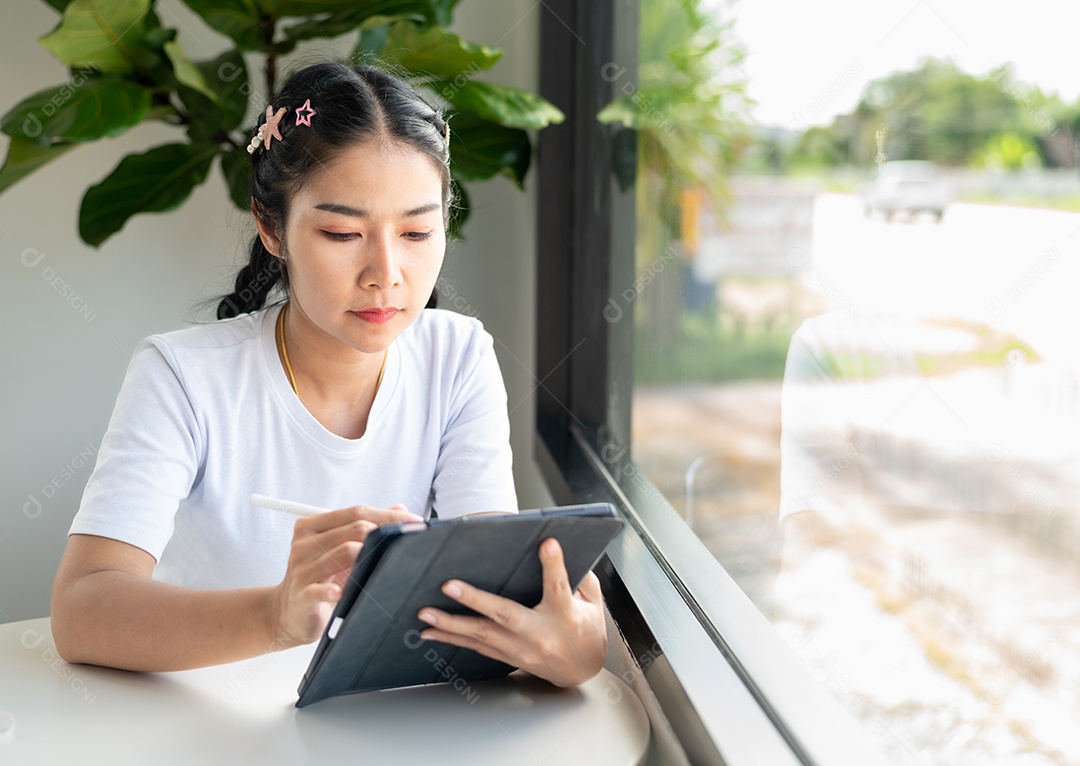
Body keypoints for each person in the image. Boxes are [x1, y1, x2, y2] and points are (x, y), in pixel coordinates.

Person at [50, 62, 607, 687]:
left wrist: (572, 652)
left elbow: (483, 593)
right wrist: (275, 616)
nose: (386, 272)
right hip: (202, 724)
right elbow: (82, 611)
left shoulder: (459, 357)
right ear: (271, 228)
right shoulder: (184, 376)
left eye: (418, 231)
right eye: (343, 232)